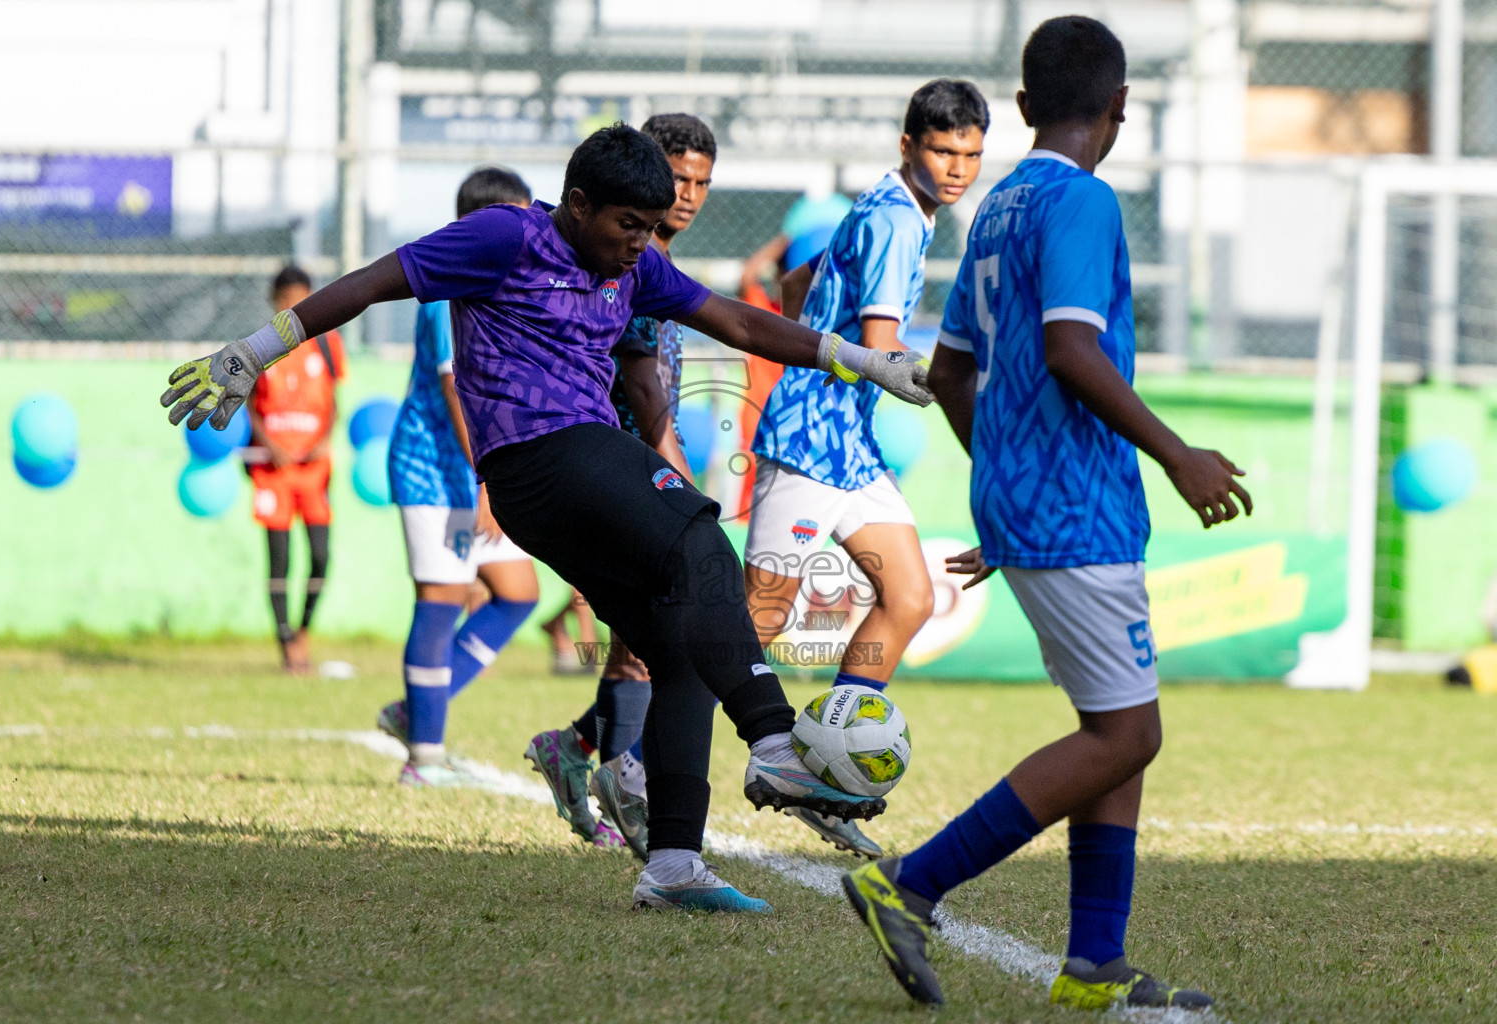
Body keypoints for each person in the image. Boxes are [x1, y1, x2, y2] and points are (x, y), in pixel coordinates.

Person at [162, 123, 932, 913]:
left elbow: (737, 321)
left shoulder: (636, 266)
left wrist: (864, 359)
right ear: (577, 203)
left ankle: (672, 864)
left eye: (649, 225)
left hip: (563, 479)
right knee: (703, 540)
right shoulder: (505, 236)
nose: (639, 243)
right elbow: (369, 283)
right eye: (626, 224)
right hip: (543, 457)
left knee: (679, 641)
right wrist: (255, 350)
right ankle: (775, 743)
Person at [841, 18, 1250, 1009]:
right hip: (1081, 504)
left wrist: (1008, 481)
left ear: (1022, 110)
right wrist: (1178, 454)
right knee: (1126, 735)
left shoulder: (998, 206)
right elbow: (1072, 348)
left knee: (1117, 723)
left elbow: (947, 371)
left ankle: (1094, 962)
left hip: (1040, 498)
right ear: (1120, 108)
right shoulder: (1081, 202)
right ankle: (910, 880)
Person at [744, 79, 988, 858]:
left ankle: (825, 760)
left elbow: (793, 286)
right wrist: (929, 379)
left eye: (971, 154)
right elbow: (882, 346)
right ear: (908, 144)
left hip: (848, 445)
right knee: (756, 621)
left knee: (910, 595)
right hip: (810, 444)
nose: (958, 168)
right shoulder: (897, 223)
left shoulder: (887, 205)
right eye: (944, 151)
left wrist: (817, 350)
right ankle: (620, 748)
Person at [524, 113, 716, 863]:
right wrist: (663, 454)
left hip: (638, 455)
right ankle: (628, 780)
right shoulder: (613, 253)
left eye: (701, 181)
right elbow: (629, 373)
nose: (688, 195)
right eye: (678, 180)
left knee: (643, 641)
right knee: (661, 635)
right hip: (606, 460)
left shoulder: (650, 256)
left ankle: (580, 750)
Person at [373, 166, 543, 789]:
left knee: (518, 592)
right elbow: (455, 389)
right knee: (441, 601)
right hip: (438, 471)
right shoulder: (450, 285)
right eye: (523, 216)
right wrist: (487, 480)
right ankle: (424, 759)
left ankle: (415, 711)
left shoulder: (490, 278)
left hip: (468, 472)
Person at [245, 265, 346, 673]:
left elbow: (335, 399)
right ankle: (285, 639)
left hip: (314, 470)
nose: (294, 308)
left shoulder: (325, 343)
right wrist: (268, 444)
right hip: (274, 471)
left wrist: (325, 438)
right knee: (280, 560)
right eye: (286, 301)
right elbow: (248, 405)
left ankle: (304, 628)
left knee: (321, 556)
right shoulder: (260, 347)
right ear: (274, 302)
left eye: (301, 299)